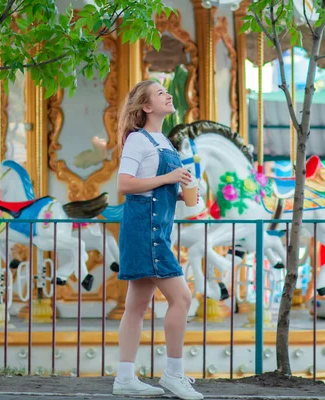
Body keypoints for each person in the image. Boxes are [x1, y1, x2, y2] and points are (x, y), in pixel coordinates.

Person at [112, 80, 203, 400]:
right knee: (182, 298)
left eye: (167, 90)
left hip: (153, 226)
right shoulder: (138, 140)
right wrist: (168, 178)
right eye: (160, 92)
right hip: (146, 227)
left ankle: (125, 377)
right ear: (147, 107)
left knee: (136, 305)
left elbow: (152, 186)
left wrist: (178, 192)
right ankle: (174, 374)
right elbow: (124, 184)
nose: (167, 94)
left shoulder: (162, 140)